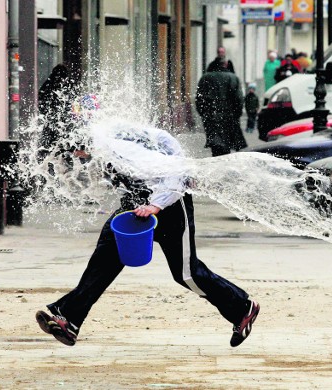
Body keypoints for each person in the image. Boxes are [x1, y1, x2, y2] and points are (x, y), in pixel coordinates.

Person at [35, 125, 260, 348]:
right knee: (105, 258)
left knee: (186, 274)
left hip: (171, 207)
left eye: (76, 152)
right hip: (136, 205)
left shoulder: (119, 148)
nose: (78, 157)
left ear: (81, 145)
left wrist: (157, 204)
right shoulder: (104, 145)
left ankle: (242, 308)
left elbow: (172, 168)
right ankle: (69, 319)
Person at [195, 60, 247, 156]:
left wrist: (203, 114)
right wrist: (237, 114)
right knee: (227, 141)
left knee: (216, 143)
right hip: (229, 116)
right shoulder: (233, 78)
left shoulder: (205, 77)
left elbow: (199, 98)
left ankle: (217, 159)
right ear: (225, 66)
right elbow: (239, 98)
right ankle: (225, 161)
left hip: (211, 116)